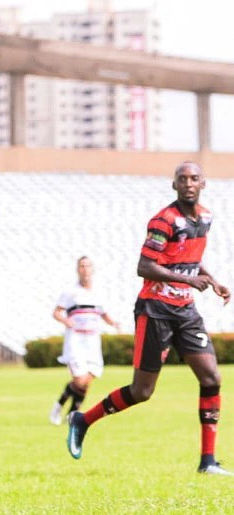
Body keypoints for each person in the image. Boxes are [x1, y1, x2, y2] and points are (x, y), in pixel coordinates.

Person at [67, 162, 232, 476]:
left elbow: (191, 259)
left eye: (194, 178)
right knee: (142, 392)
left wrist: (211, 280)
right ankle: (82, 420)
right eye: (182, 179)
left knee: (211, 379)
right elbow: (144, 266)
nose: (188, 184)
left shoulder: (206, 217)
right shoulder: (164, 220)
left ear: (203, 183)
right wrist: (186, 280)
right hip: (155, 310)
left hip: (185, 311)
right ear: (174, 186)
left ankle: (208, 462)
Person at [48, 256, 120, 426]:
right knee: (80, 380)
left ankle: (71, 414)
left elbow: (103, 313)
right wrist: (66, 321)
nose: (85, 269)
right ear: (77, 269)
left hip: (93, 340)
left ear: (92, 269)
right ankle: (59, 406)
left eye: (88, 266)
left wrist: (113, 323)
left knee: (87, 381)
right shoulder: (70, 292)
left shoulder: (99, 292)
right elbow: (57, 312)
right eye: (82, 266)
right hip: (76, 340)